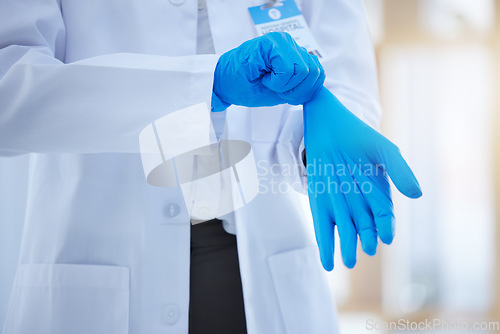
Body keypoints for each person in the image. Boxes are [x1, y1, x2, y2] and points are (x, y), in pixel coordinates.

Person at [0, 0, 419, 333]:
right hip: (99, 267)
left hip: (258, 263)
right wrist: (207, 85)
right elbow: (9, 90)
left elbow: (344, 72)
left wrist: (315, 146)